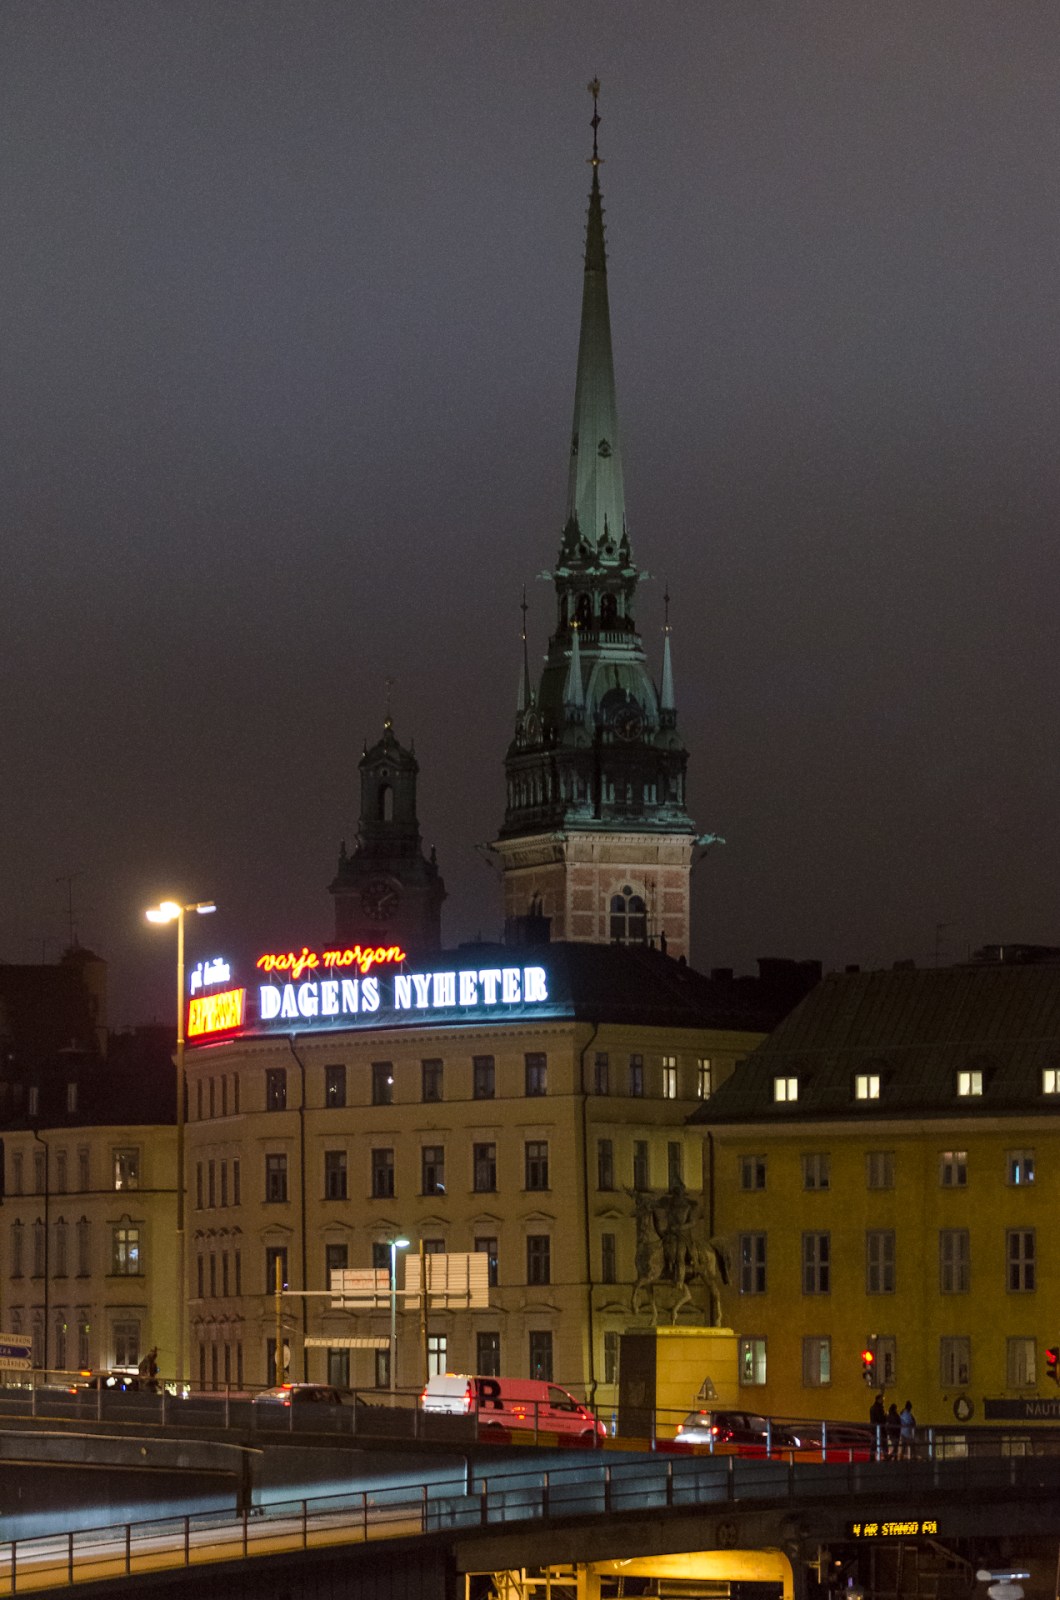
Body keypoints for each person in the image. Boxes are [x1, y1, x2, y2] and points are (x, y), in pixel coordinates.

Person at [869, 1391, 886, 1457]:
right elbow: (880, 1418)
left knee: (874, 1444)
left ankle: (872, 1457)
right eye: (882, 1399)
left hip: (874, 1429)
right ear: (878, 1399)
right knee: (882, 1443)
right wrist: (885, 1417)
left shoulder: (873, 1408)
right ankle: (884, 1456)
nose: (883, 1400)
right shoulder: (878, 1408)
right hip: (879, 1429)